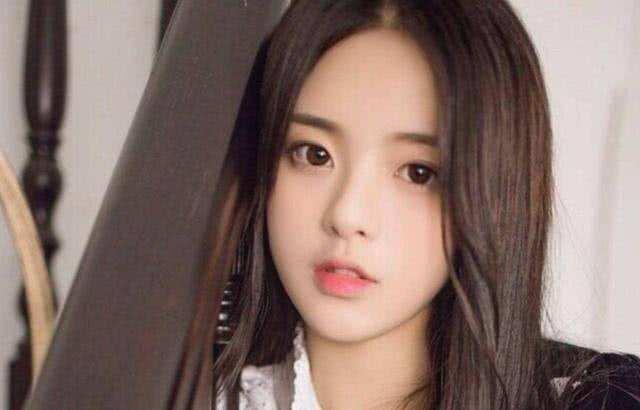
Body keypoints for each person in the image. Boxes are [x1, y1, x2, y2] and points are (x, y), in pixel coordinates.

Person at [205, 0, 640, 408]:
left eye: (417, 172)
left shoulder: (605, 399)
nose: (347, 215)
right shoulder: (192, 390)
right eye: (314, 155)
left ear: (493, 195)